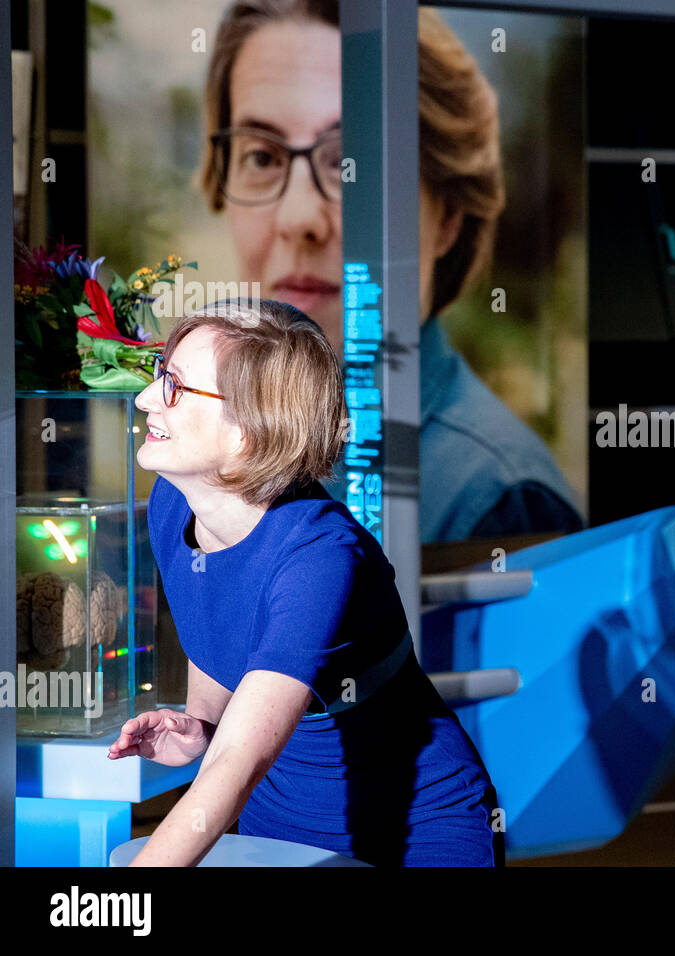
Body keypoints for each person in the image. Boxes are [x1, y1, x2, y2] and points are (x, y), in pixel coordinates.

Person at [109, 300, 499, 866]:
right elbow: (221, 685)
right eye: (157, 375)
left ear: (248, 428)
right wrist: (200, 728)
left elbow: (236, 765)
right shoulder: (173, 504)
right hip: (281, 825)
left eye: (174, 385)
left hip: (415, 830)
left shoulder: (320, 557)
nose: (145, 398)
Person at [197, 0, 582, 541]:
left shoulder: (494, 500)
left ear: (447, 216)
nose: (299, 217)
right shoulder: (233, 446)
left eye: (350, 160)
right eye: (262, 157)